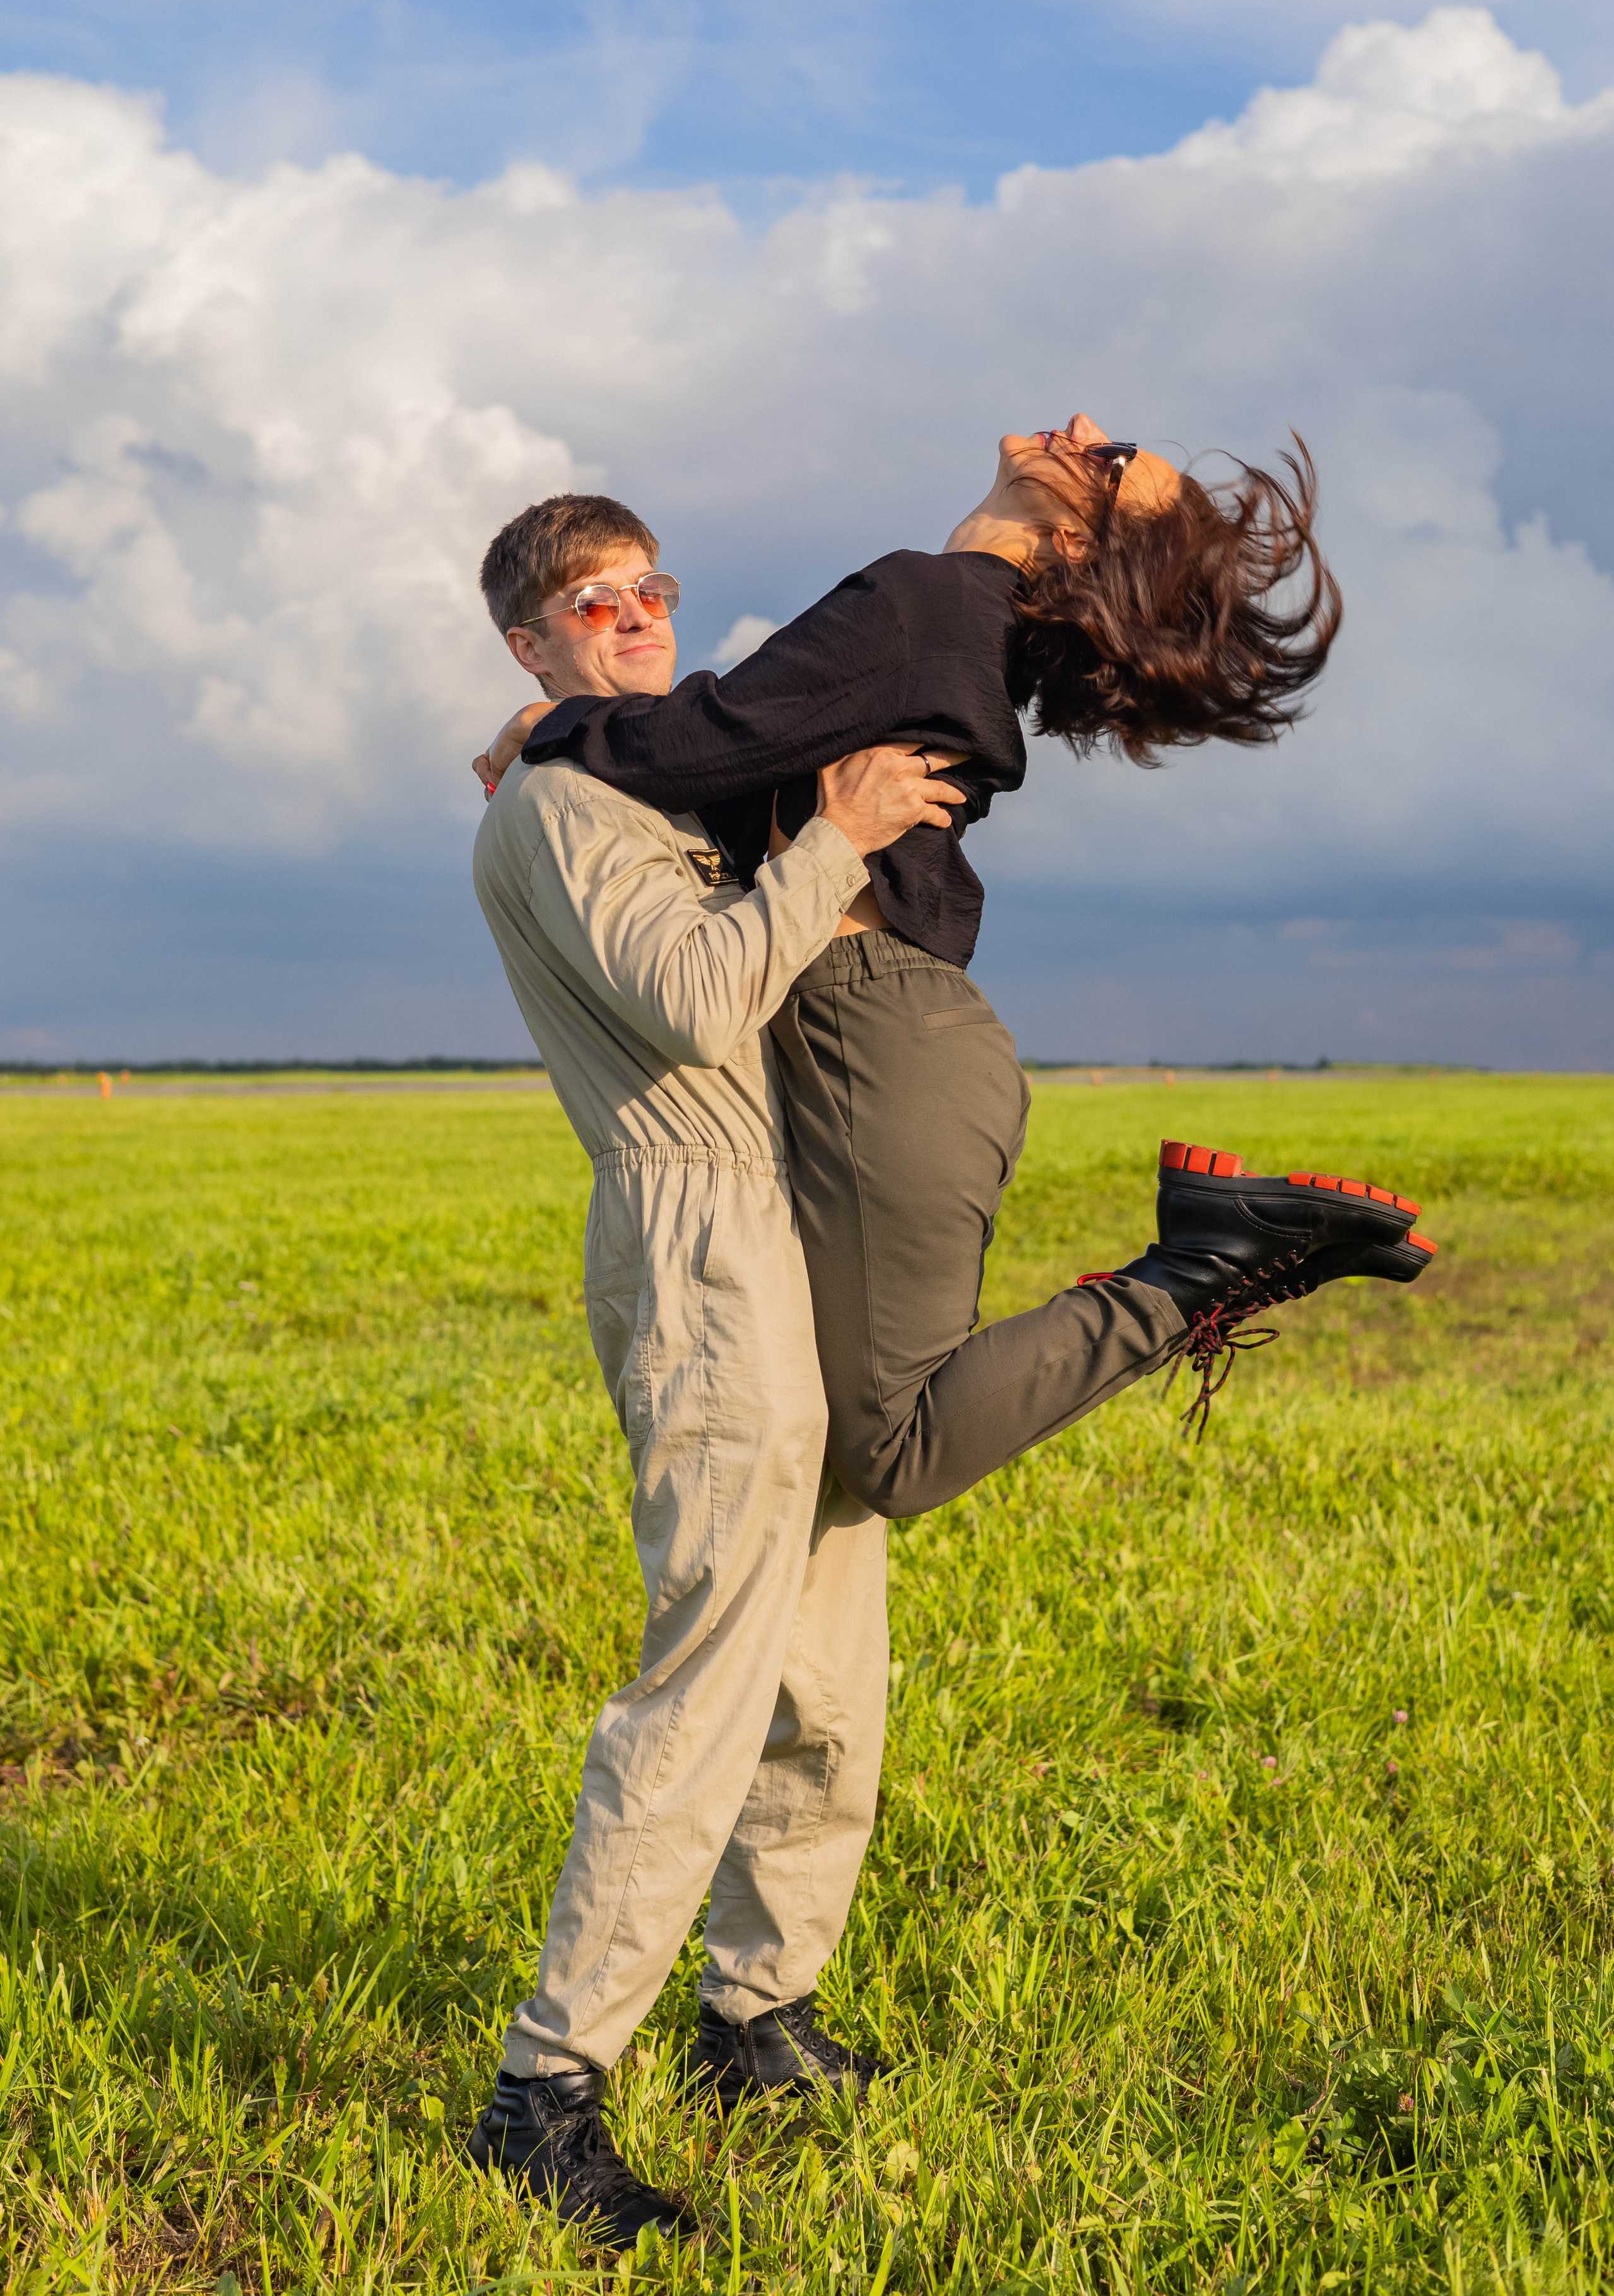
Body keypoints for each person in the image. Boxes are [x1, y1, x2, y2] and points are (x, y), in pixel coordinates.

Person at [478, 415, 1435, 1503]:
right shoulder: (957, 622)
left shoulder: (923, 603)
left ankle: (1200, 1268)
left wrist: (548, 725)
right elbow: (728, 745)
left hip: (872, 1032)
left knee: (891, 1454)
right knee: (820, 1423)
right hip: (894, 1034)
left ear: (1080, 539)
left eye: (1110, 463)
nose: (1082, 430)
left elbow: (701, 740)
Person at [466, 492, 967, 2249]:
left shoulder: (631, 770)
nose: (633, 616)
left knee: (831, 1661)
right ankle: (546, 2089)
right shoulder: (568, 799)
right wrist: (830, 840)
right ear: (532, 646)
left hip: (786, 1230)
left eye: (648, 590)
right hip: (700, 1251)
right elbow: (692, 996)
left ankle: (761, 2013)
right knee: (707, 1677)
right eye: (589, 605)